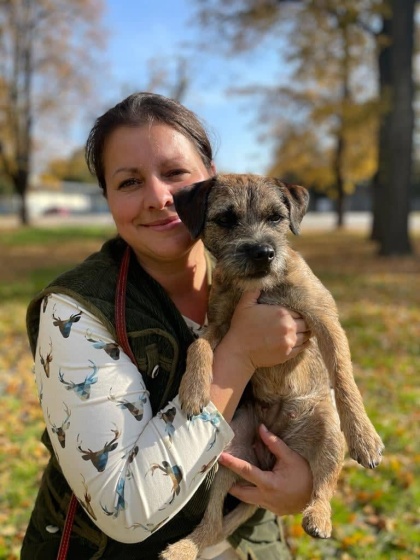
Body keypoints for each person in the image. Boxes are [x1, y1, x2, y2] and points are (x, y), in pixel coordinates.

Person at [22, 92, 313, 560]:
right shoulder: (74, 312)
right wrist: (237, 354)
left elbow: (304, 405)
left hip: (247, 545)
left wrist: (304, 486)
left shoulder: (260, 282)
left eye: (175, 173)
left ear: (212, 180)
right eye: (129, 182)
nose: (159, 198)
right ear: (107, 198)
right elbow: (125, 509)